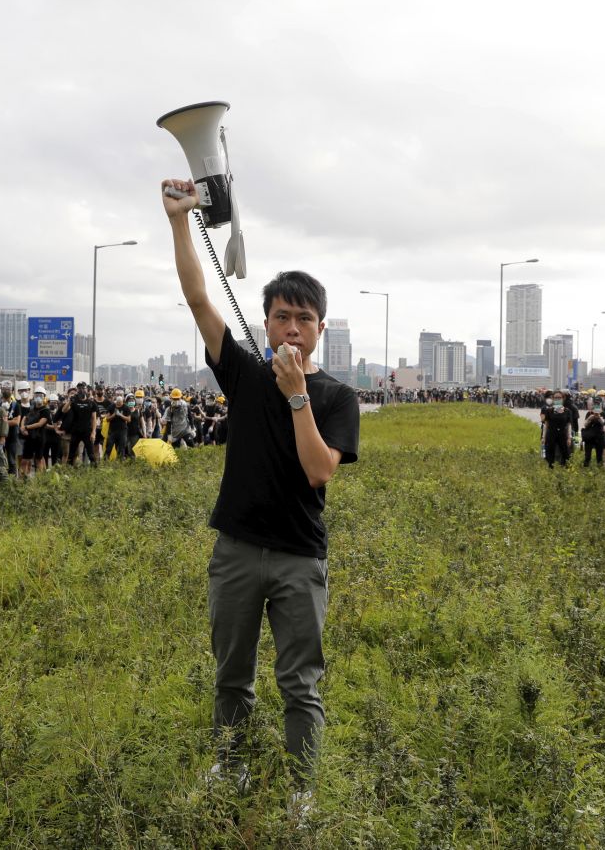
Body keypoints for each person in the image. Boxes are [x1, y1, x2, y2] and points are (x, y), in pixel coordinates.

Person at [165, 177, 360, 801]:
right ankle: (232, 766)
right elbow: (200, 300)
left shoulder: (336, 397)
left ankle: (302, 790)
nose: (293, 329)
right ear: (268, 322)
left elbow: (319, 471)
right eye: (282, 317)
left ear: (320, 328)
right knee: (232, 676)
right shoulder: (244, 373)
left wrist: (297, 395)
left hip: (300, 557)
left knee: (300, 682)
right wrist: (179, 221)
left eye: (304, 319)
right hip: (237, 550)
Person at [65, 382, 97, 466]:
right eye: (79, 388)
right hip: (75, 431)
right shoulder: (74, 401)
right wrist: (69, 402)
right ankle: (68, 473)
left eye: (83, 388)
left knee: (91, 455)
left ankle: (96, 474)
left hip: (87, 432)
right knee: (71, 455)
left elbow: (94, 419)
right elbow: (64, 410)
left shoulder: (91, 403)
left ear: (86, 390)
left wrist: (93, 432)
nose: (81, 390)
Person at [541, 391, 573, 468]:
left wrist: (569, 437)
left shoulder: (567, 411)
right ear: (553, 399)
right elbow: (546, 425)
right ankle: (551, 468)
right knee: (550, 452)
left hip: (563, 433)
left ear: (563, 399)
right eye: (556, 398)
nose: (557, 399)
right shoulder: (549, 410)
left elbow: (569, 425)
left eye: (559, 398)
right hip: (551, 433)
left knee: (565, 453)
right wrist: (543, 437)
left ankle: (564, 468)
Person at [580, 400, 604, 467]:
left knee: (599, 455)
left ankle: (600, 468)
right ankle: (586, 467)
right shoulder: (589, 413)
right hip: (589, 437)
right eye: (595, 406)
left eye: (598, 406)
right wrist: (589, 419)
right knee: (587, 455)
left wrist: (599, 418)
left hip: (599, 437)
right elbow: (585, 425)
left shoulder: (603, 414)